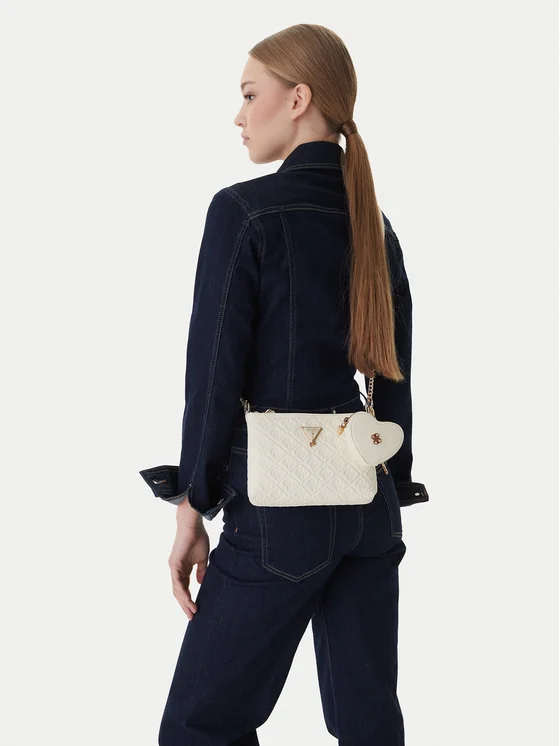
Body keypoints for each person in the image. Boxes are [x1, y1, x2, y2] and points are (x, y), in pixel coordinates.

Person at [140, 23, 429, 746]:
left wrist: (192, 505)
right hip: (369, 509)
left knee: (199, 727)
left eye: (249, 95)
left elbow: (213, 376)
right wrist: (396, 482)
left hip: (280, 512)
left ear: (298, 100)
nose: (238, 116)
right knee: (369, 727)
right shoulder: (376, 225)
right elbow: (394, 378)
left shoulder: (243, 212)